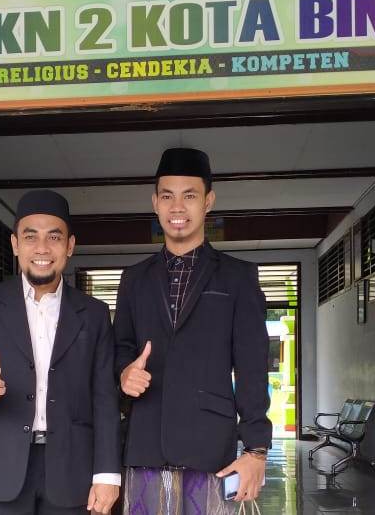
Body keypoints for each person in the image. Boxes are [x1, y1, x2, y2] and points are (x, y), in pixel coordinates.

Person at [114, 148, 271, 514]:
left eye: (189, 196)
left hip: (211, 448)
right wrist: (123, 373)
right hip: (146, 444)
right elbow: (120, 346)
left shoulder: (238, 277)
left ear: (208, 201)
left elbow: (252, 367)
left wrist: (256, 450)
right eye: (167, 196)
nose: (177, 207)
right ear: (155, 203)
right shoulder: (134, 279)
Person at [0, 190, 120, 514]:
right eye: (30, 237)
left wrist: (107, 474)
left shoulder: (94, 313)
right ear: (15, 244)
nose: (42, 248)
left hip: (72, 469)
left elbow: (105, 397)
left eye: (54, 237)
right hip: (1, 466)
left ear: (69, 245)